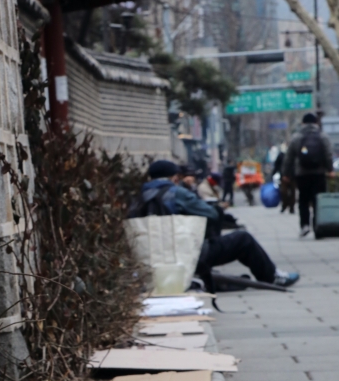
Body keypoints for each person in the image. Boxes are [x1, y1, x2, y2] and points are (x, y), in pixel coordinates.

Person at [132, 160, 300, 290]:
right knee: (243, 239)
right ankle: (272, 277)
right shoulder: (178, 193)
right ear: (174, 177)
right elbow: (211, 214)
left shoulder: (140, 196)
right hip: (188, 255)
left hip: (152, 259)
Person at [282, 113, 333, 236]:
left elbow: (289, 157)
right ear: (316, 122)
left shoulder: (297, 137)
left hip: (302, 174)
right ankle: (317, 226)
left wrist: (286, 173)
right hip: (319, 173)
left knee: (303, 200)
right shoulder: (322, 136)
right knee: (317, 200)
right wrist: (330, 169)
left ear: (303, 123)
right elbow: (328, 154)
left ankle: (304, 225)